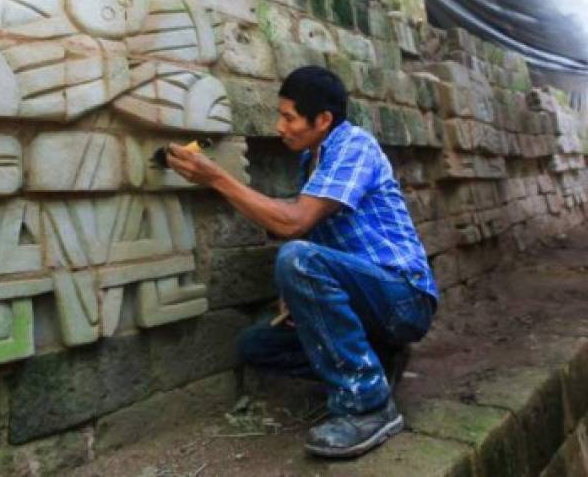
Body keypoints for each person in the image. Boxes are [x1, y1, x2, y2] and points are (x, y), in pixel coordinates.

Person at [166, 65, 438, 459]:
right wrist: (297, 296)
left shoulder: (354, 147)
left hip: (404, 297)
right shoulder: (312, 160)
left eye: (289, 117)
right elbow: (308, 232)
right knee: (256, 345)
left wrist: (217, 179)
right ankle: (376, 362)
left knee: (296, 259)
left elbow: (293, 223)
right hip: (367, 299)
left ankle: (368, 407)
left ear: (323, 119)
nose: (280, 126)